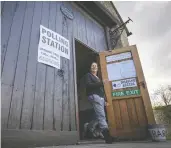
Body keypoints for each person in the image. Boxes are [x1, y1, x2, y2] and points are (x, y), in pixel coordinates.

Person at [85, 62, 113, 144]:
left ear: (97, 68)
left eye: (95, 66)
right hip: (94, 96)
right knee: (101, 115)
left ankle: (89, 127)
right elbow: (89, 85)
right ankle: (107, 137)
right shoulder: (88, 75)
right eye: (92, 65)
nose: (94, 67)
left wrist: (104, 101)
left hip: (100, 98)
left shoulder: (98, 78)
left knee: (98, 116)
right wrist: (102, 83)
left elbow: (100, 91)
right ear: (90, 68)